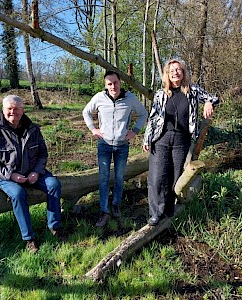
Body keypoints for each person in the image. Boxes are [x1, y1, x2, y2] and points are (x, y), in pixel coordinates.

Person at [0, 95, 62, 253]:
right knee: (17, 193)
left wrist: (36, 172)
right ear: (3, 110)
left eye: (16, 109)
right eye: (9, 109)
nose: (12, 112)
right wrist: (10, 175)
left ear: (23, 111)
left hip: (32, 173)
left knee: (54, 184)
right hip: (5, 176)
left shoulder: (33, 129)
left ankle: (55, 227)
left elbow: (42, 154)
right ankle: (29, 238)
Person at [143, 59, 219, 226]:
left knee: (176, 176)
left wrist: (207, 102)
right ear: (167, 75)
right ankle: (156, 213)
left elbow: (213, 98)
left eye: (178, 70)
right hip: (161, 138)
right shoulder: (161, 94)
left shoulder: (192, 90)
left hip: (181, 139)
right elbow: (153, 118)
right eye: (172, 71)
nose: (175, 72)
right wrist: (147, 138)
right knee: (158, 176)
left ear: (183, 72)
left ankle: (169, 208)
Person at [83, 70, 148, 227]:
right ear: (106, 85)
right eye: (109, 84)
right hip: (104, 144)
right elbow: (86, 112)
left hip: (122, 145)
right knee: (104, 178)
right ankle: (104, 210)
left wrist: (135, 131)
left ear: (120, 82)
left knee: (119, 177)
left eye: (115, 82)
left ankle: (116, 204)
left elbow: (143, 114)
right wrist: (93, 129)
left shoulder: (130, 98)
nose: (113, 86)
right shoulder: (99, 97)